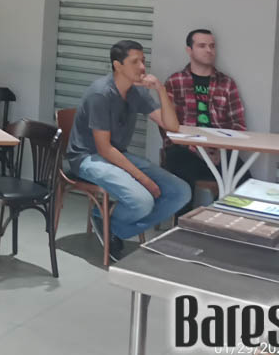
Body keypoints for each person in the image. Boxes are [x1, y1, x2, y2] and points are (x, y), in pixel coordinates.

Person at [67, 40, 191, 261]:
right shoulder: (101, 94)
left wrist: (160, 89)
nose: (142, 67)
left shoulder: (136, 92)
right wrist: (144, 179)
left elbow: (171, 126)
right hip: (87, 157)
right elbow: (104, 149)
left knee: (181, 192)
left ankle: (111, 226)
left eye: (143, 61)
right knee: (143, 200)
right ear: (118, 65)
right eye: (135, 62)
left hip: (117, 154)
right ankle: (107, 222)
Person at [163, 28, 248, 214]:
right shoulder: (175, 82)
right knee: (182, 182)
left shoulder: (226, 83)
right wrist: (196, 149)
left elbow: (238, 124)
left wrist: (221, 149)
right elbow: (167, 126)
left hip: (220, 151)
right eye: (202, 46)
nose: (209, 50)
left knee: (244, 181)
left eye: (212, 46)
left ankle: (224, 223)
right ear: (189, 50)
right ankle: (182, 227)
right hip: (184, 150)